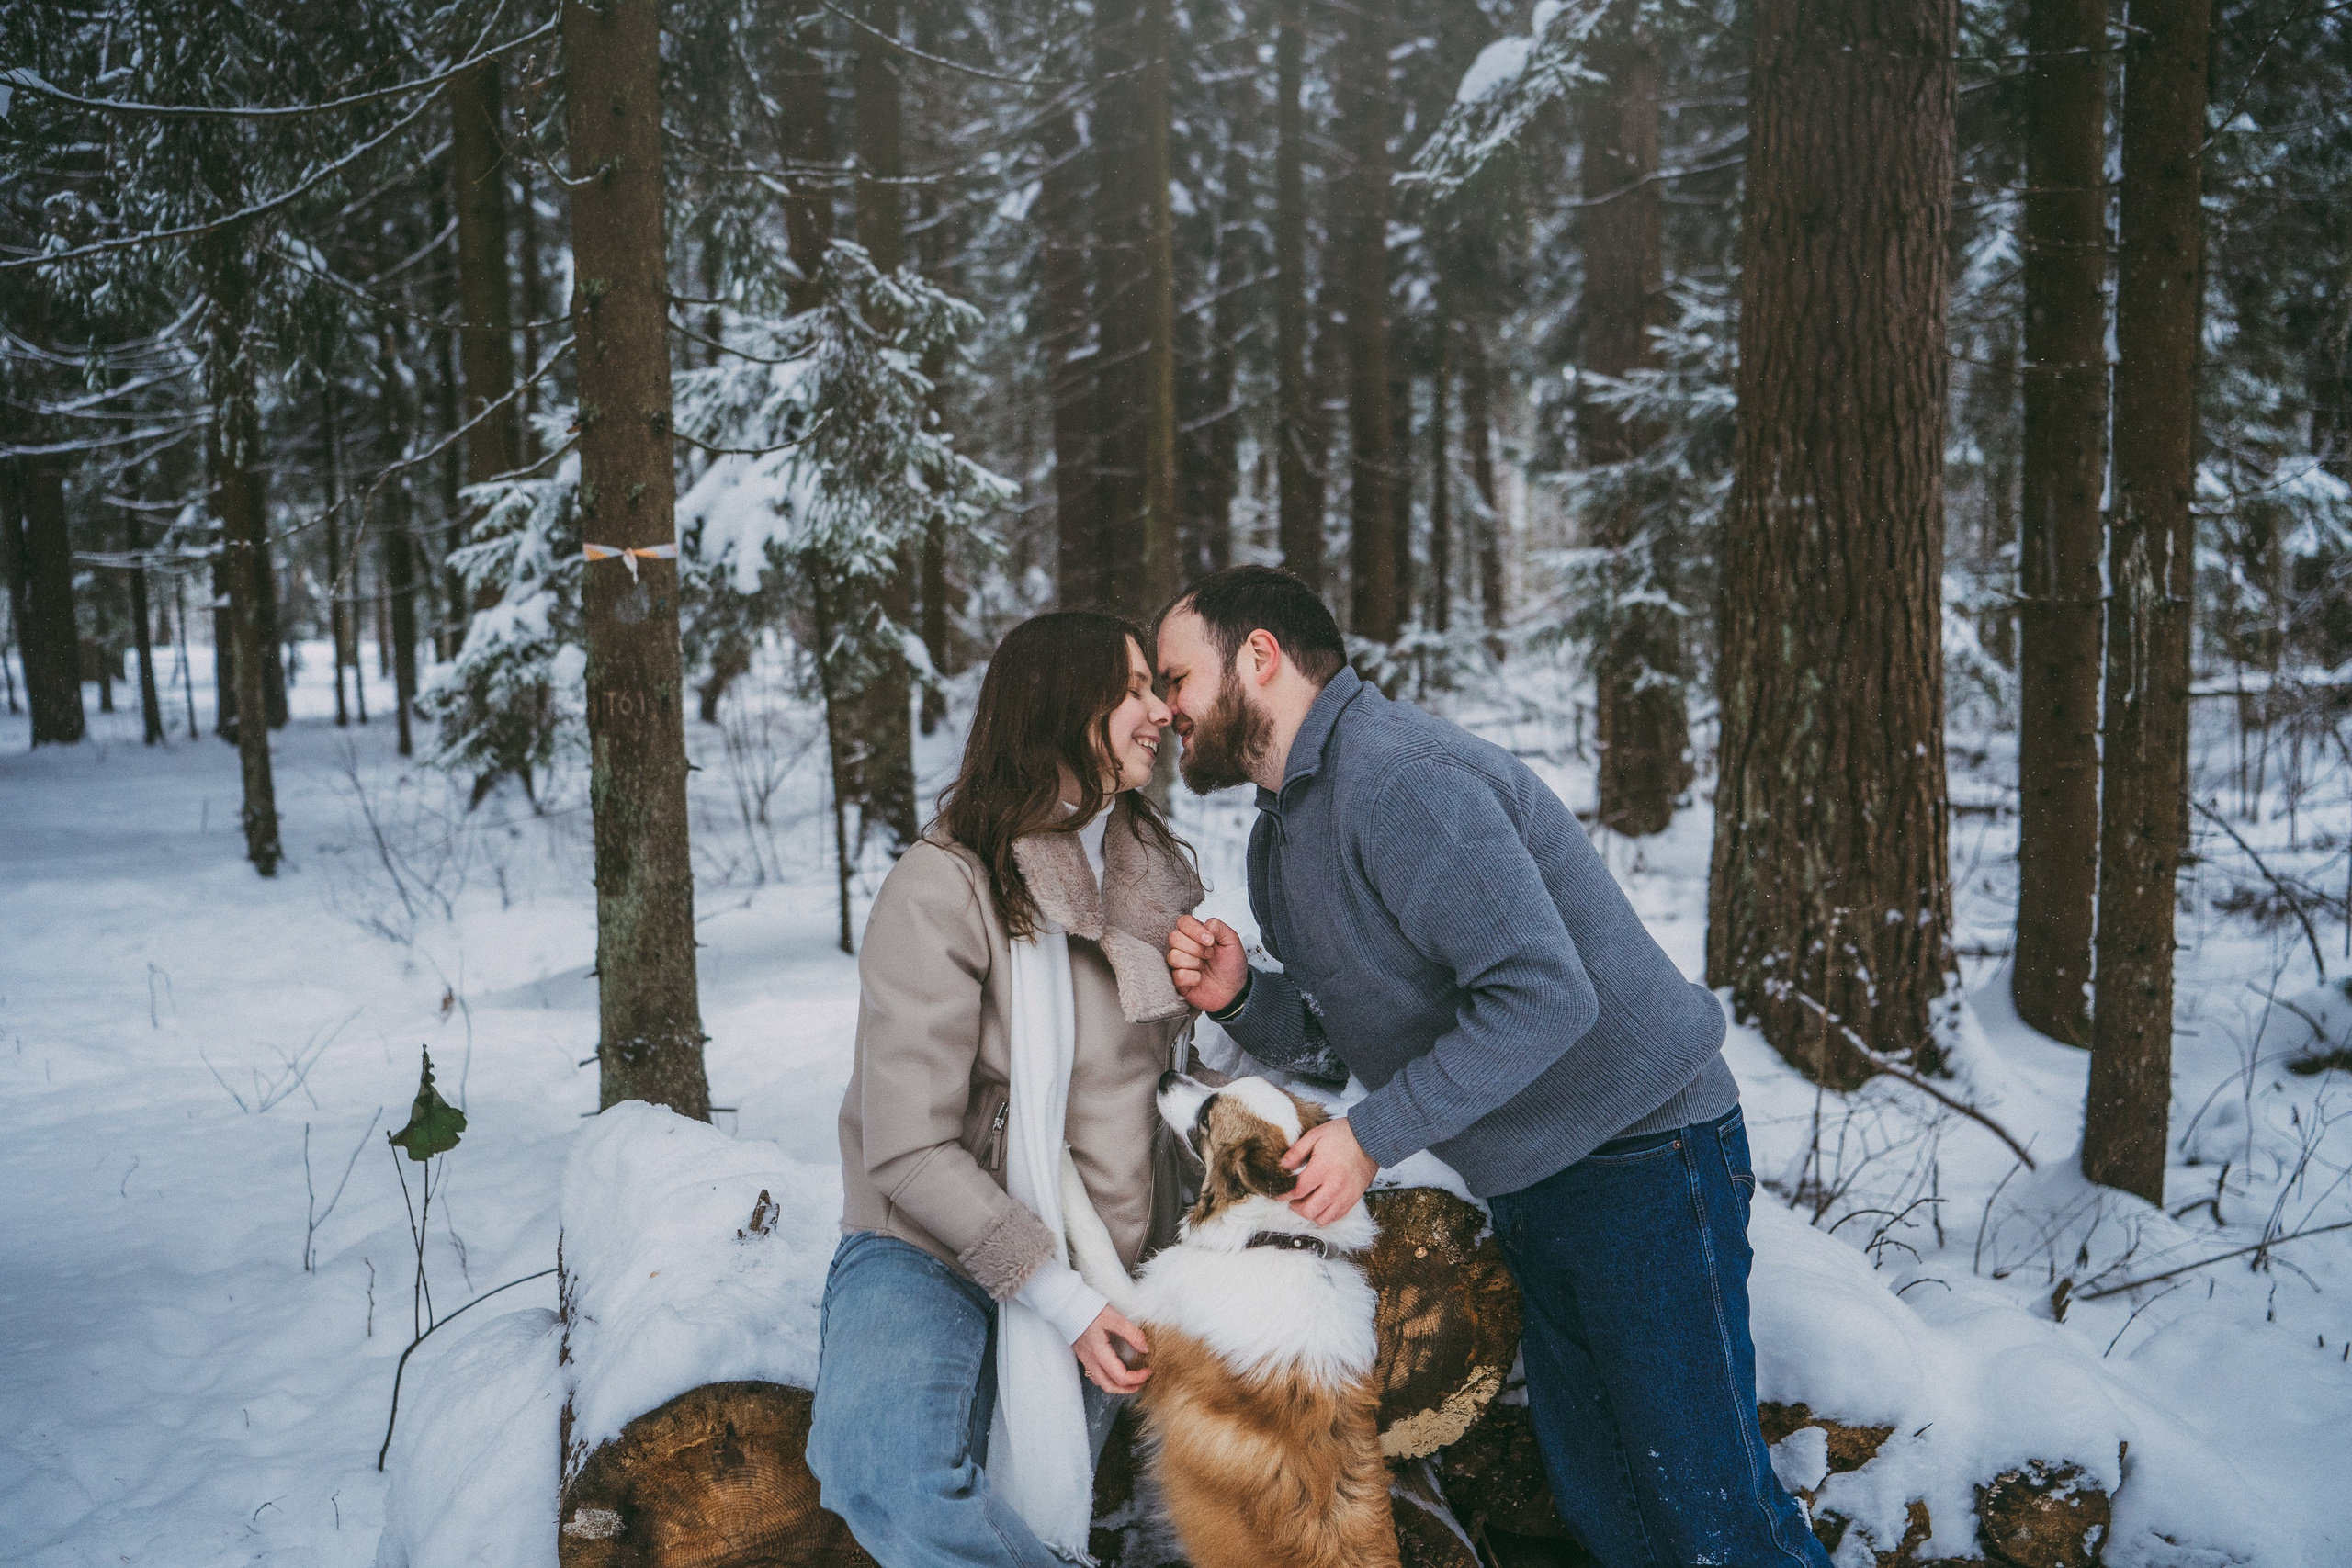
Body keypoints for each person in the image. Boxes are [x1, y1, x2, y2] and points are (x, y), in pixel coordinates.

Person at [1158, 566, 1830, 1568]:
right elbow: (1362, 1033)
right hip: (1540, 1179)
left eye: (1176, 678)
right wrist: (1241, 998)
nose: (1166, 709)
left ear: (1257, 656)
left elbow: (1546, 997)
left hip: (1644, 1155)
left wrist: (1371, 1138)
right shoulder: (1283, 834)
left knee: (1709, 1518)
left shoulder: (1399, 782)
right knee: (1612, 1511)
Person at [808, 611, 1205, 1568]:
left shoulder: (1151, 880)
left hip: (1107, 1255)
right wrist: (1057, 1300)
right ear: (1066, 707)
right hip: (929, 1248)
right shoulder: (946, 884)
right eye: (1137, 689)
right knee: (884, 1472)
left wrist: (1232, 1001)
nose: (1163, 712)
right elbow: (904, 1145)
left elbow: (1173, 1090)